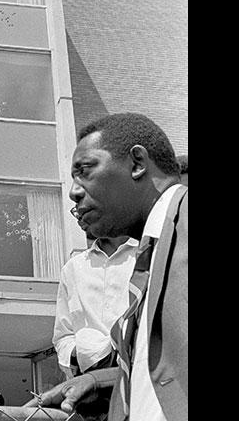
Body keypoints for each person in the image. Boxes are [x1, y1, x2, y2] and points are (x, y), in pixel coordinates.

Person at [25, 112, 188, 421]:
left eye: (85, 170)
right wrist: (97, 381)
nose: (73, 191)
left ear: (137, 163)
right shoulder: (151, 257)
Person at [52, 227, 138, 378]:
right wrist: (80, 355)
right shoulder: (72, 268)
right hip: (87, 380)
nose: (80, 213)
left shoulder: (146, 257)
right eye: (75, 209)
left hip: (137, 374)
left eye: (82, 203)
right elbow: (62, 335)